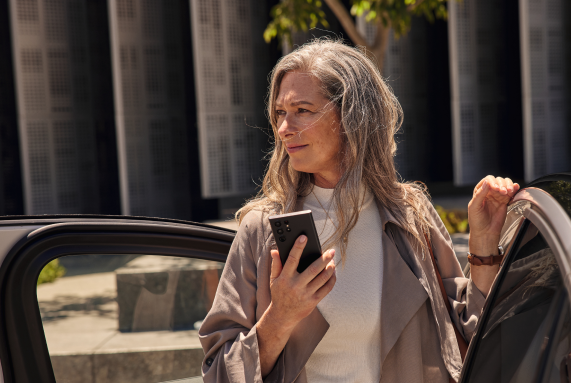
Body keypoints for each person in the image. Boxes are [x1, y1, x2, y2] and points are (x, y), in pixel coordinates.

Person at [198, 39, 520, 383]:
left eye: (302, 110)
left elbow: (471, 338)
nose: (283, 129)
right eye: (280, 112)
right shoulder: (263, 229)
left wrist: (483, 244)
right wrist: (280, 317)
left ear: (351, 115)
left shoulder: (409, 214)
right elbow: (219, 373)